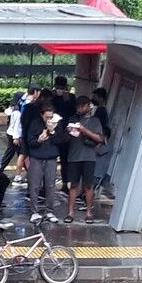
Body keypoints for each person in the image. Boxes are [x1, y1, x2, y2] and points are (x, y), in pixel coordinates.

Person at [65, 96, 104, 224]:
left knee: (88, 185)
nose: (80, 108)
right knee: (73, 185)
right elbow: (65, 138)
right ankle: (70, 212)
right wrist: (69, 131)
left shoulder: (95, 121)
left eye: (83, 105)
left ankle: (89, 212)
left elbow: (99, 138)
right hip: (74, 156)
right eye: (78, 106)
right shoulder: (72, 119)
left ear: (88, 106)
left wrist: (83, 129)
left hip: (89, 156)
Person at [26, 105, 66, 224]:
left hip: (51, 158)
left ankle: (49, 211)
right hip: (36, 157)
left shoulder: (57, 124)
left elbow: (61, 141)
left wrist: (52, 131)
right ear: (41, 115)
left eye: (51, 116)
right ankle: (34, 212)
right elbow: (30, 142)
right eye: (46, 117)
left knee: (50, 185)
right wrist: (39, 140)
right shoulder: (34, 124)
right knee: (34, 186)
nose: (49, 119)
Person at [0, 91, 23, 179]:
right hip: (14, 135)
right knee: (20, 154)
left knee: (14, 153)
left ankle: (0, 169)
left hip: (11, 133)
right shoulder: (17, 112)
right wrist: (16, 137)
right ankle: (0, 170)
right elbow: (17, 125)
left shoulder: (12, 109)